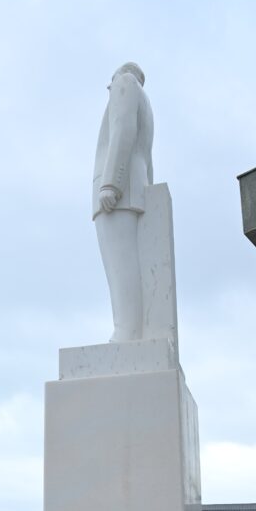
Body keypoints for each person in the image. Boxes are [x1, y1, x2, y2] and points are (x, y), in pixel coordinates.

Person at [92, 61, 153, 342]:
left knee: (120, 267)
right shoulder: (145, 100)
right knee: (126, 267)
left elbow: (123, 129)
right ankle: (128, 331)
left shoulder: (125, 83)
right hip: (133, 188)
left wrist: (110, 184)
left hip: (120, 192)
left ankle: (126, 333)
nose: (109, 87)